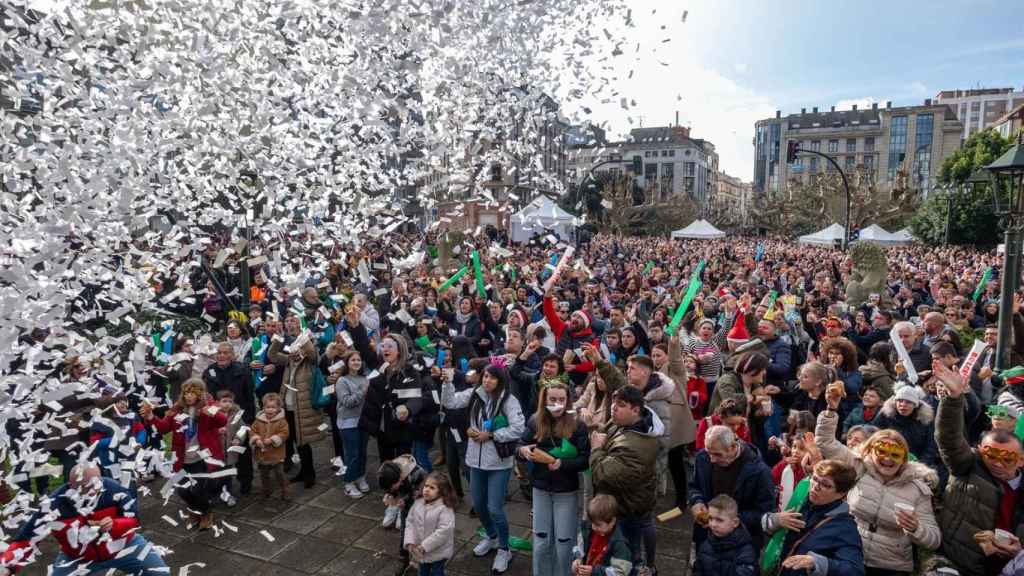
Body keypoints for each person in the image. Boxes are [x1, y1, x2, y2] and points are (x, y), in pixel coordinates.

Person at [815, 387, 941, 576]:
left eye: (895, 454)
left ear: (904, 458)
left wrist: (916, 528)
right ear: (870, 451)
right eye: (881, 451)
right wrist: (831, 410)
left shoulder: (918, 488)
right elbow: (826, 443)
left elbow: (934, 539)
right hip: (850, 554)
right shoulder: (859, 466)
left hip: (891, 566)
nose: (887, 459)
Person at [932, 361, 1024, 576]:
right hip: (959, 563)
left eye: (1007, 458)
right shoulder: (968, 465)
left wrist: (1019, 551)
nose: (998, 463)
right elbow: (949, 439)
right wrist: (953, 398)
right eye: (990, 455)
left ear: (1021, 460)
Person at [0, 463, 169, 575]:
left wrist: (114, 524)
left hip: (125, 546)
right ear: (72, 485)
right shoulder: (54, 504)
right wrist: (7, 566)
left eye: (97, 484)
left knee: (160, 572)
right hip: (77, 557)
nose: (94, 491)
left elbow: (133, 519)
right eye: (86, 487)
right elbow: (27, 538)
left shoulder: (112, 488)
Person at [440, 362, 526, 574]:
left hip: (498, 462)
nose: (487, 380)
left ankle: (504, 549)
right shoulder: (474, 394)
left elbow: (518, 428)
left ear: (500, 380)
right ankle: (492, 536)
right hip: (475, 459)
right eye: (485, 376)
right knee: (478, 505)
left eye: (492, 377)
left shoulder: (508, 400)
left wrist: (492, 435)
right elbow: (449, 402)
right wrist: (447, 382)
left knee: (495, 508)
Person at [518, 379, 591, 576]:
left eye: (561, 399)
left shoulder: (577, 426)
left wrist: (561, 464)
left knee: (563, 541)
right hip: (540, 488)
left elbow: (585, 460)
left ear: (568, 401)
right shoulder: (535, 420)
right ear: (545, 399)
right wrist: (523, 450)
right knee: (541, 541)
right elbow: (521, 444)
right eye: (552, 399)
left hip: (565, 490)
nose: (556, 404)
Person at [590, 385, 663, 574]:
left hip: (627, 509)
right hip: (628, 503)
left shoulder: (635, 446)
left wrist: (597, 448)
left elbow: (602, 474)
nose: (613, 407)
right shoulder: (628, 423)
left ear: (636, 410)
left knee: (627, 559)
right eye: (614, 402)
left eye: (620, 405)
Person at [141, 378, 227, 530]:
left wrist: (211, 412)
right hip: (181, 459)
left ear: (200, 393)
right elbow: (163, 428)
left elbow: (222, 421)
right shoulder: (177, 409)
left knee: (199, 490)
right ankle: (197, 509)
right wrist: (150, 417)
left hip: (202, 458)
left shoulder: (209, 405)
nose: (188, 396)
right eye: (186, 392)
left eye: (193, 392)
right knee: (182, 489)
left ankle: (205, 513)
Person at [764, 459, 864, 576]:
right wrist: (774, 520)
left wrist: (817, 563)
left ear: (841, 494)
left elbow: (855, 570)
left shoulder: (845, 527)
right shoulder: (799, 501)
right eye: (815, 479)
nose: (815, 487)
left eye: (826, 485)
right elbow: (759, 525)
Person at [689, 424, 775, 553]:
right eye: (709, 453)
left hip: (741, 544)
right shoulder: (703, 457)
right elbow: (695, 486)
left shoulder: (760, 472)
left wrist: (728, 520)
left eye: (718, 455)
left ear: (733, 447)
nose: (712, 459)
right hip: (706, 538)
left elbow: (765, 512)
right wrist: (697, 501)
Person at [268, 314, 324, 488]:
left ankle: (310, 475)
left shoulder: (309, 361)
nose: (294, 353)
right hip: (288, 405)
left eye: (293, 321)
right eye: (288, 321)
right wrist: (277, 336)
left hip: (303, 405)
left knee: (304, 441)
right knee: (294, 439)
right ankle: (303, 472)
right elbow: (272, 355)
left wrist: (303, 336)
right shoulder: (288, 361)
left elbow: (314, 355)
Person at [204, 341, 256, 494]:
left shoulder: (242, 370)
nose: (221, 356)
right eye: (219, 353)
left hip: (239, 417)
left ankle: (245, 481)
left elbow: (249, 396)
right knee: (220, 453)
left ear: (232, 355)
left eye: (225, 353)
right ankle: (223, 485)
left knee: (242, 452)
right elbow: (208, 398)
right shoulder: (209, 371)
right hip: (218, 419)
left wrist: (248, 420)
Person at [403, 472, 457, 576]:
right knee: (423, 572)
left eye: (432, 488)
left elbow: (444, 531)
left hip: (438, 551)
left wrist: (424, 546)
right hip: (420, 551)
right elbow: (410, 522)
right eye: (426, 486)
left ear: (442, 492)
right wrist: (409, 542)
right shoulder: (418, 503)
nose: (427, 489)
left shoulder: (445, 508)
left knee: (437, 572)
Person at [694, 494, 756, 576]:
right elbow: (697, 570)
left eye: (719, 520)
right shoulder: (706, 544)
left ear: (735, 522)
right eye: (710, 518)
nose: (713, 524)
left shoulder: (745, 552)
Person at [572, 494, 633, 576]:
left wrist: (594, 572)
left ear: (612, 521)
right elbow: (580, 547)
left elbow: (620, 572)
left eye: (598, 525)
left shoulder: (620, 544)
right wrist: (577, 560)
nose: (593, 527)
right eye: (592, 523)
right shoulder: (588, 530)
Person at [337, 350, 371, 498]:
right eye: (353, 360)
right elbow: (347, 402)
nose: (356, 362)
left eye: (358, 360)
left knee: (363, 452)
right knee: (352, 454)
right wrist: (363, 391)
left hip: (363, 421)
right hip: (348, 423)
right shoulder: (342, 381)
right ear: (347, 363)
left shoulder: (365, 378)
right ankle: (349, 482)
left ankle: (360, 476)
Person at [249, 392, 290, 499]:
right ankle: (266, 490)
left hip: (277, 454)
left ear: (278, 408)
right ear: (263, 407)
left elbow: (284, 433)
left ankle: (285, 489)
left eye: (273, 407)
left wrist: (273, 439)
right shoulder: (258, 420)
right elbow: (252, 431)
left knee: (279, 473)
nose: (270, 409)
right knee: (264, 474)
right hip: (262, 453)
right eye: (268, 407)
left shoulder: (282, 421)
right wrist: (256, 439)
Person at [215, 389, 246, 507]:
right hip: (216, 452)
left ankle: (228, 494)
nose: (227, 404)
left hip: (229, 453)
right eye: (224, 401)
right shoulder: (213, 415)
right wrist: (217, 431)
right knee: (216, 475)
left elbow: (242, 428)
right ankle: (216, 493)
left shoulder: (236, 415)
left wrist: (238, 438)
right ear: (218, 403)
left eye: (230, 401)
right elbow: (206, 429)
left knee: (227, 475)